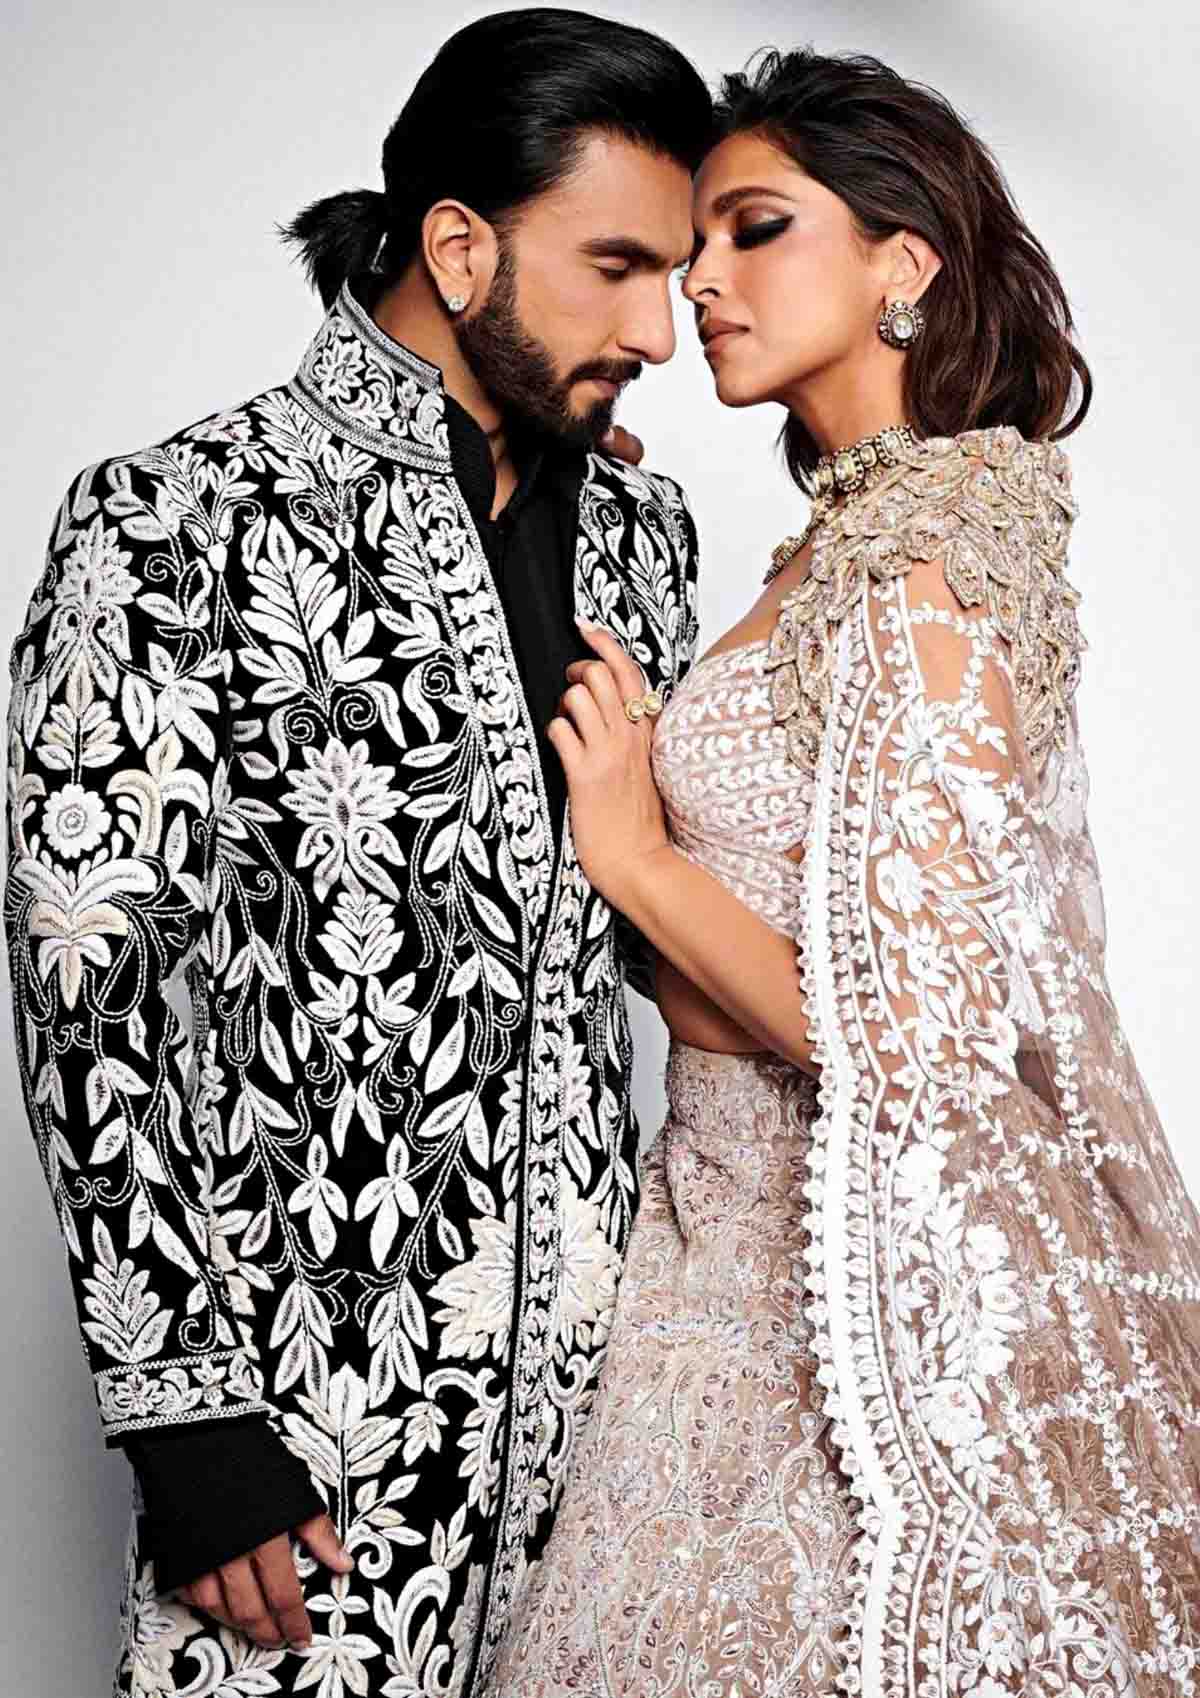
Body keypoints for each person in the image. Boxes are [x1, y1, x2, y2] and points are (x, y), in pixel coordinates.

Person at [2, 11, 710, 1694]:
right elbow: (92, 987)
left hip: (604, 1446)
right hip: (304, 1440)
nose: (658, 333)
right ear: (459, 250)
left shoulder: (644, 534)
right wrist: (186, 1422)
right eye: (615, 268)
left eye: (674, 275)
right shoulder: (176, 522)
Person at [489, 47, 1200, 1698]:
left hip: (829, 1311)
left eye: (754, 231)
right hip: (714, 1256)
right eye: (691, 249)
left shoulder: (937, 550)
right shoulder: (834, 548)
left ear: (904, 265)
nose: (702, 284)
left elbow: (919, 1031)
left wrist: (632, 855)